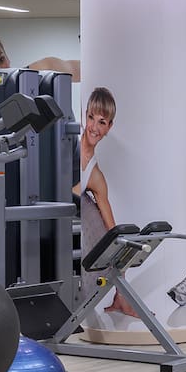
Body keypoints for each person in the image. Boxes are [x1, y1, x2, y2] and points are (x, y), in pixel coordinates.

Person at [74, 86, 136, 317]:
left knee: (109, 239)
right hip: (46, 216)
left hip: (67, 222)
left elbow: (111, 229)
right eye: (91, 117)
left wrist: (122, 255)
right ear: (85, 116)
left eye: (102, 122)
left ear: (109, 127)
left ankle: (122, 298)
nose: (94, 127)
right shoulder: (68, 144)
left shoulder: (96, 177)